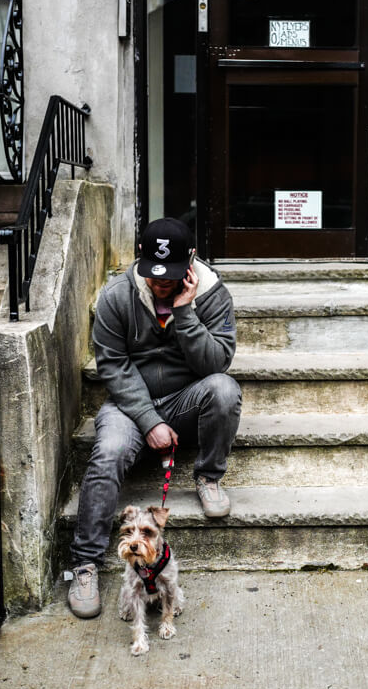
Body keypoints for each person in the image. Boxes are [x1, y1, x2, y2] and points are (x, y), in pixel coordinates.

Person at [67, 217, 242, 618]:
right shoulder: (117, 295)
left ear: (191, 262)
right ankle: (85, 564)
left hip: (186, 396)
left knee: (224, 390)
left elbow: (216, 363)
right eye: (154, 277)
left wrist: (185, 314)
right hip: (131, 404)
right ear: (141, 259)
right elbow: (112, 365)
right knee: (108, 451)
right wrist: (148, 419)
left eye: (172, 278)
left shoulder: (213, 295)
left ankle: (208, 476)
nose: (161, 285)